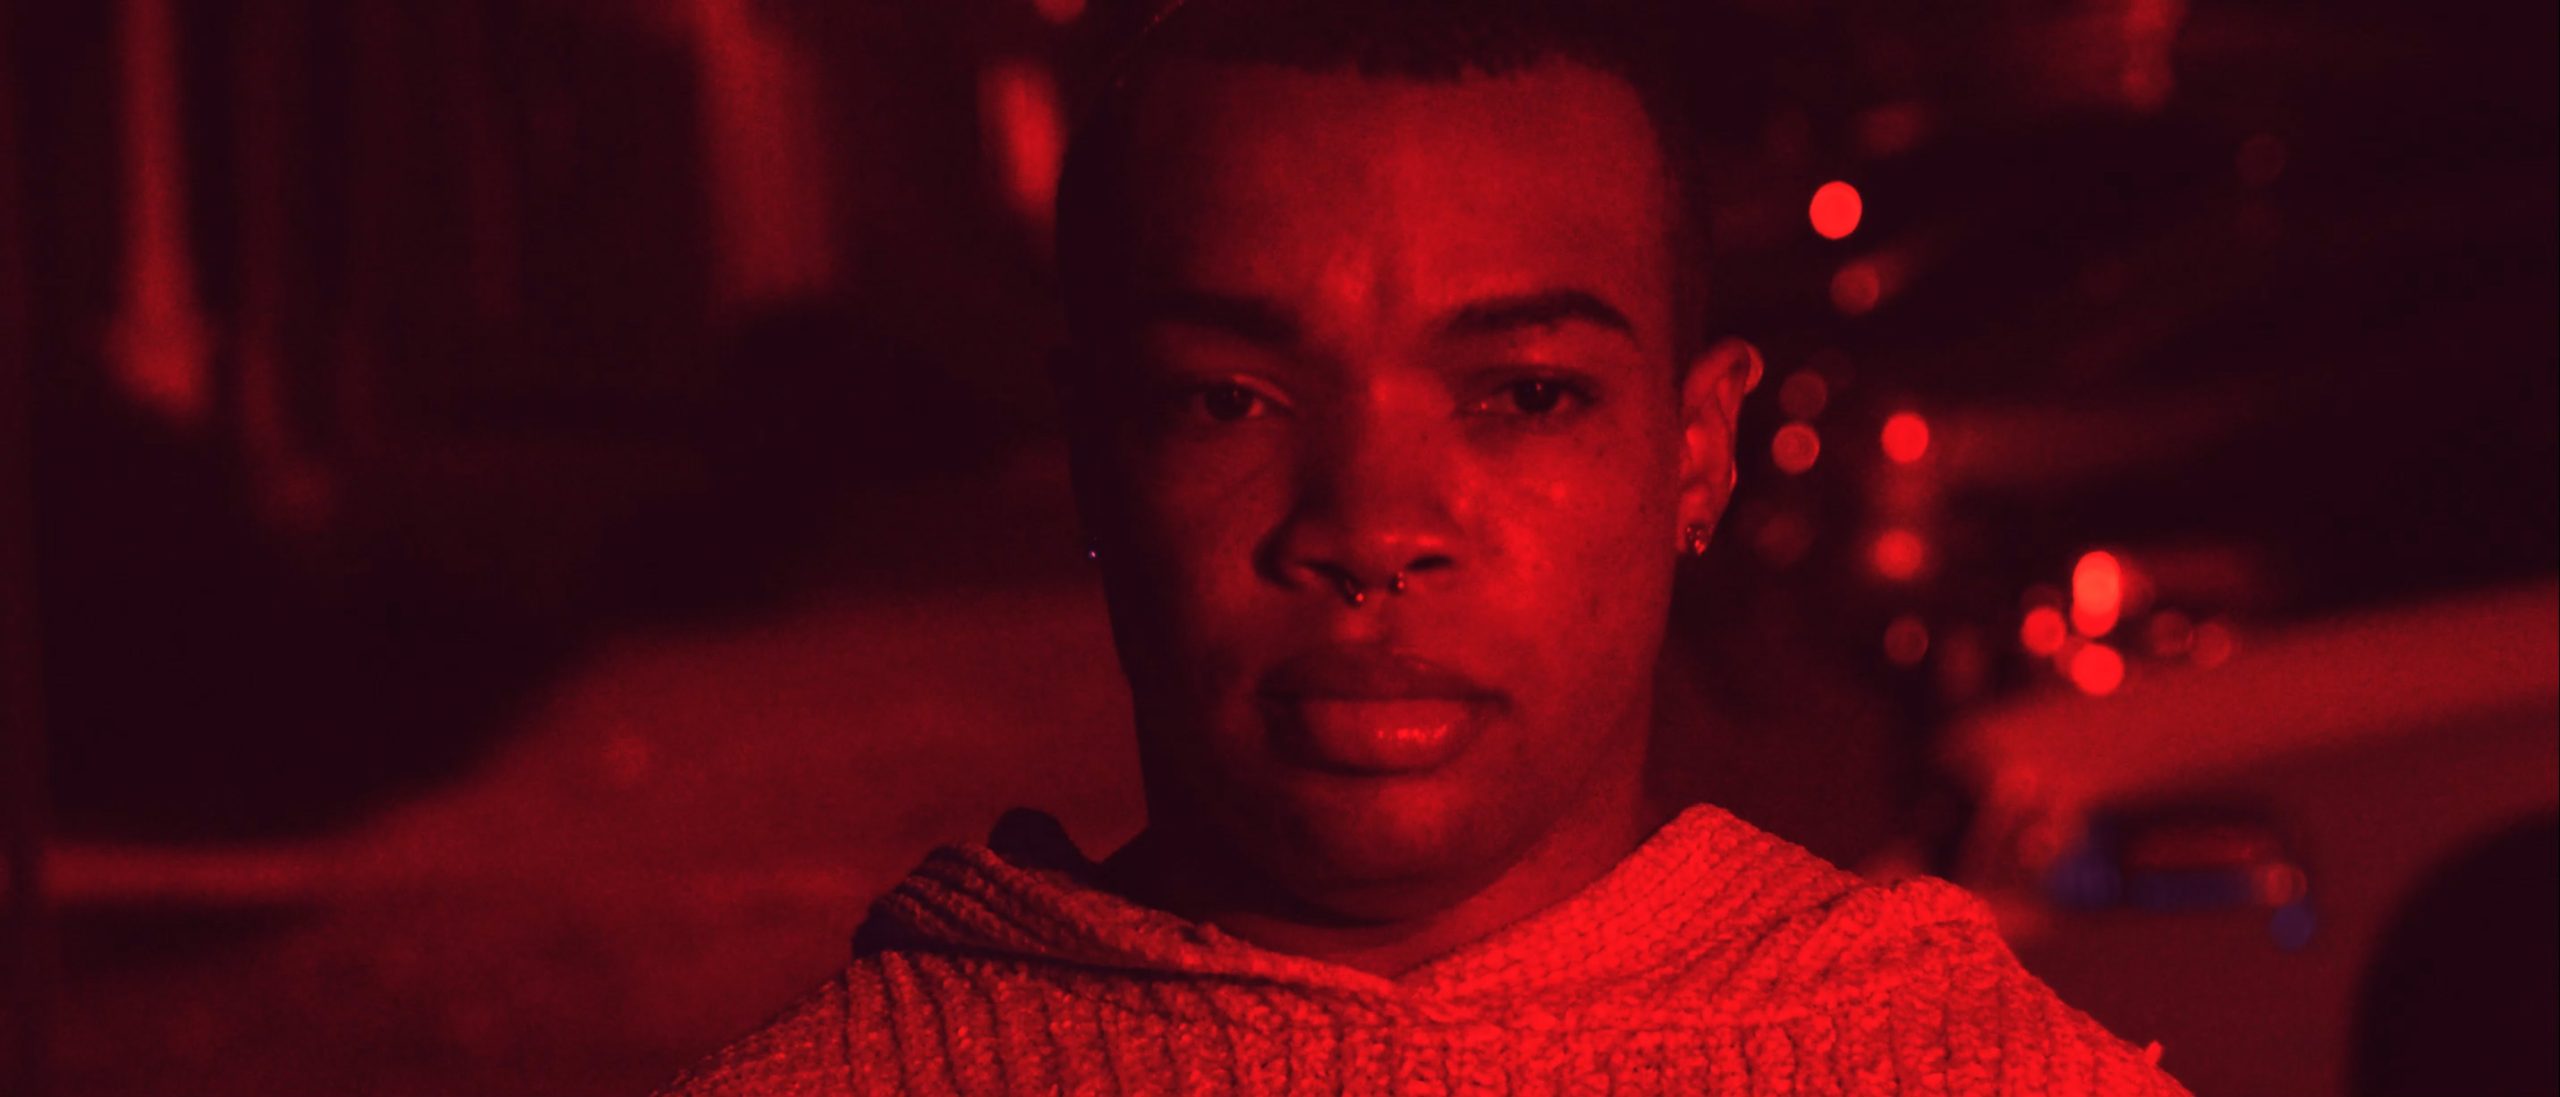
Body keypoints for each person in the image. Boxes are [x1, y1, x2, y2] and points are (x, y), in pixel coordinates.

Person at [663, 1, 2189, 1091]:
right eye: (1229, 397)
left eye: (1524, 394)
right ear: (1091, 455)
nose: (1374, 528)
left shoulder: (1972, 1067)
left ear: (1696, 449)